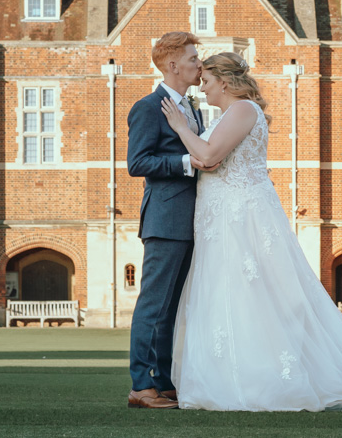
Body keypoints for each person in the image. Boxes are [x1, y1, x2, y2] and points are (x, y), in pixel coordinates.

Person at [162, 51, 342, 411]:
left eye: (206, 81)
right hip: (222, 216)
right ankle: (232, 375)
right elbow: (213, 155)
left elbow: (207, 157)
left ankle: (258, 379)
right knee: (229, 291)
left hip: (240, 215)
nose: (201, 87)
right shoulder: (232, 113)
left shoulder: (241, 110)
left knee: (249, 291)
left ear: (224, 81)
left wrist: (180, 128)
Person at [125, 31, 205, 409]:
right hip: (165, 218)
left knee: (173, 307)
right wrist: (187, 162)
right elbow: (137, 163)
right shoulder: (147, 107)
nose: (198, 64)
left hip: (193, 220)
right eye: (193, 59)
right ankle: (141, 386)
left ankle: (165, 381)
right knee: (153, 305)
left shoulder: (193, 107)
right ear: (173, 65)